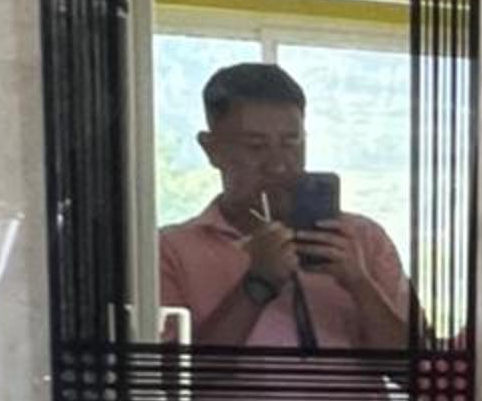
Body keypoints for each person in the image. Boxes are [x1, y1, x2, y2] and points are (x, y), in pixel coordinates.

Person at [156, 62, 409, 351]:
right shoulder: (170, 251)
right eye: (255, 146)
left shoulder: (364, 239)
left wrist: (361, 286)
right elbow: (170, 375)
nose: (278, 165)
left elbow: (421, 371)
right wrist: (255, 286)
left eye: (291, 144)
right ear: (211, 149)